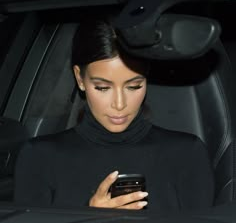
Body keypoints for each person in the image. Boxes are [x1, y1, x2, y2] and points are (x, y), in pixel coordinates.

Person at [14, 18, 215, 212]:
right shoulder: (39, 157)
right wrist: (88, 216)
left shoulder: (186, 154)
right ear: (80, 78)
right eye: (102, 87)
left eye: (134, 86)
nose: (119, 104)